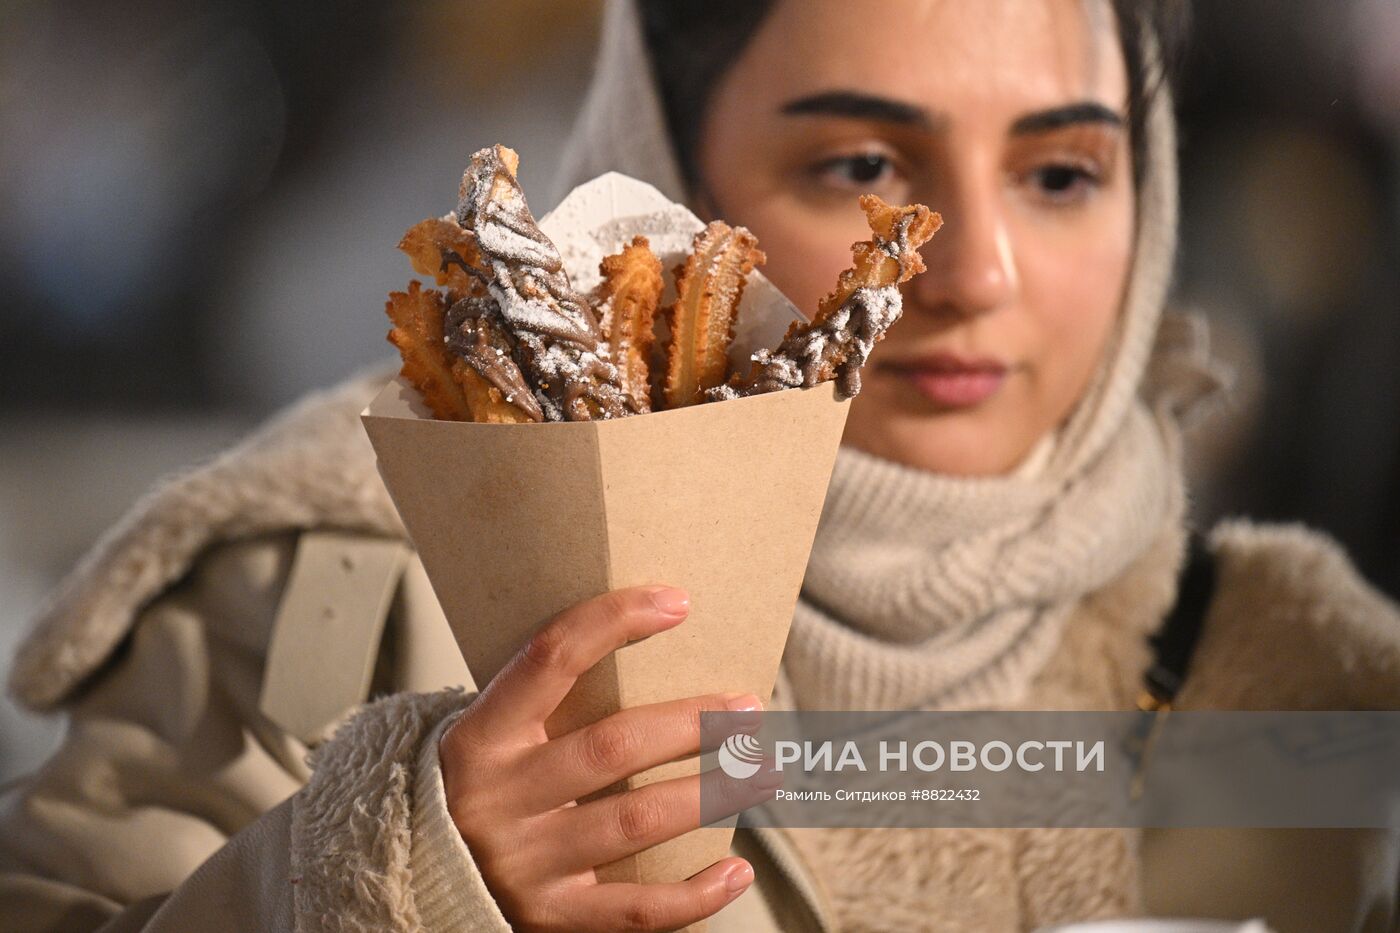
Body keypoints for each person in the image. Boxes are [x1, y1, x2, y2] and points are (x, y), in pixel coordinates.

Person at [3, 1, 1399, 931]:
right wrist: (376, 877)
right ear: (659, 176)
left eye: (1062, 174)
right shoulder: (339, 587)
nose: (976, 268)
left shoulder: (1289, 672)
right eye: (861, 161)